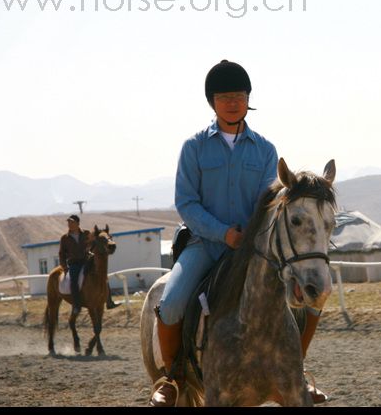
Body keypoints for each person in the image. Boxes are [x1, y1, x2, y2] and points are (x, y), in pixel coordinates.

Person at [150, 59, 327, 406]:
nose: (233, 102)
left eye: (239, 95)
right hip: (205, 245)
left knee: (310, 301)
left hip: (254, 249)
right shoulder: (194, 147)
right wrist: (222, 233)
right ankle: (172, 376)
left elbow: (269, 201)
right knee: (170, 304)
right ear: (212, 102)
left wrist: (248, 238)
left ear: (248, 99)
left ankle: (298, 374)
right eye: (224, 96)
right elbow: (186, 202)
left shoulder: (265, 150)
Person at [59, 215, 120, 315]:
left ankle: (109, 301)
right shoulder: (65, 238)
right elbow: (61, 254)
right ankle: (77, 306)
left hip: (87, 260)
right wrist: (64, 266)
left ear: (78, 223)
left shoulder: (87, 233)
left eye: (72, 222)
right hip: (74, 263)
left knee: (102, 276)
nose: (69, 224)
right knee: (73, 280)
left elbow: (95, 244)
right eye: (69, 222)